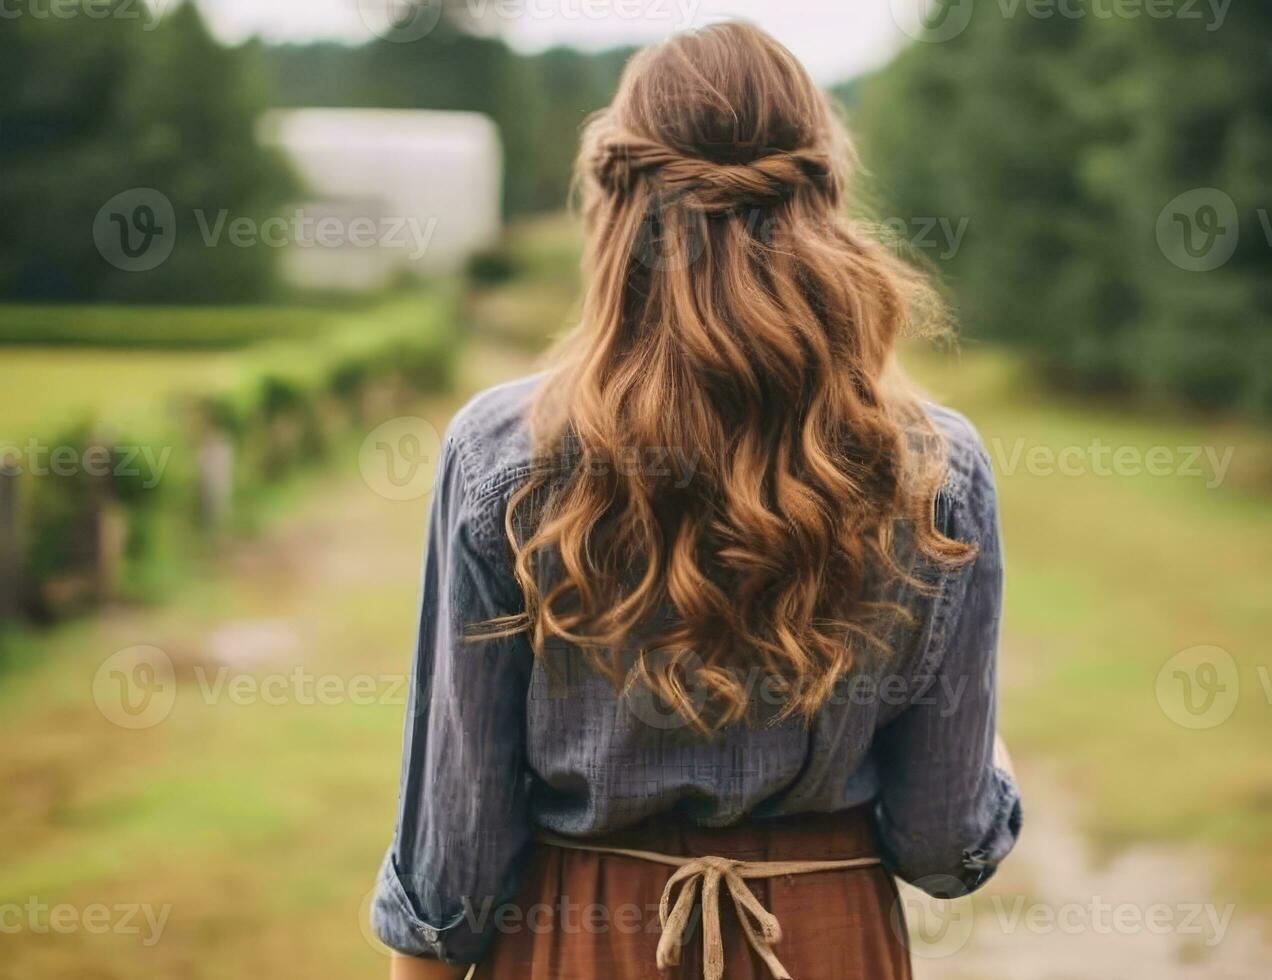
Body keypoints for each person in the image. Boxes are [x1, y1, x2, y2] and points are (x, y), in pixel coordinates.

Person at [373, 21, 1021, 980]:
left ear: (617, 205)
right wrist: (995, 762)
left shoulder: (502, 455)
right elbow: (941, 842)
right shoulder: (933, 468)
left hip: (578, 944)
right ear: (824, 204)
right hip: (827, 940)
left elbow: (453, 857)